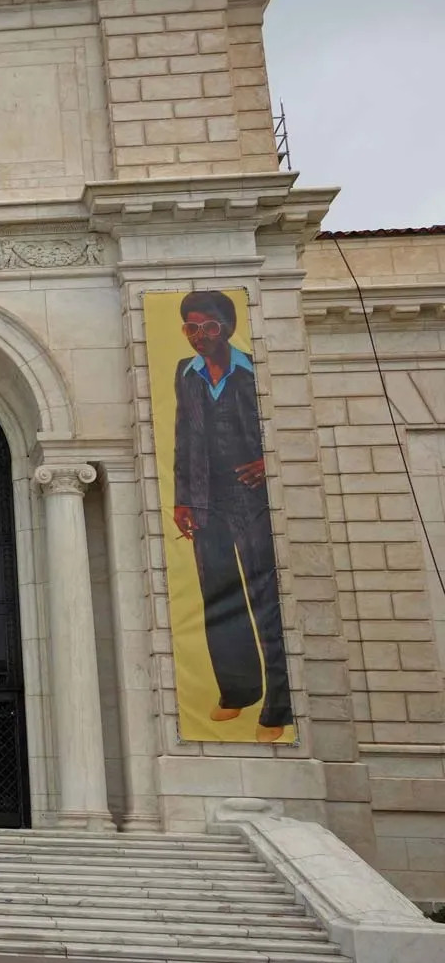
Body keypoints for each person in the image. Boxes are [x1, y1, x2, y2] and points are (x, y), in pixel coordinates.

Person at [171, 290, 293, 742]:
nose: (200, 337)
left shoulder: (253, 368)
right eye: (192, 328)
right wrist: (183, 498)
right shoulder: (186, 372)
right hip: (207, 500)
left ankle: (278, 702)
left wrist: (269, 460)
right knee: (219, 594)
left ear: (229, 327)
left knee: (266, 594)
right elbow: (182, 433)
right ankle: (238, 690)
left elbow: (289, 426)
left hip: (254, 498)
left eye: (209, 327)